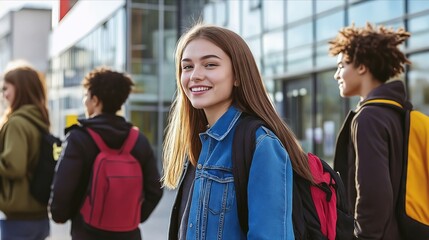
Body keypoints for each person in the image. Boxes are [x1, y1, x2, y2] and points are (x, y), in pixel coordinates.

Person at [163, 23, 314, 239]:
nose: (195, 75)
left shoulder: (261, 144)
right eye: (187, 67)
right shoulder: (200, 145)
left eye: (210, 64)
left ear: (237, 75)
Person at [49, 67, 163, 240]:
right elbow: (155, 189)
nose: (85, 101)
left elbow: (64, 186)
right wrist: (133, 217)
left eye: (86, 96)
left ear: (95, 100)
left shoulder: (79, 138)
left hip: (87, 231)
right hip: (129, 234)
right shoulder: (138, 139)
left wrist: (59, 215)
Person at [329, 23, 411, 239]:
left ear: (362, 67)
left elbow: (374, 193)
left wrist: (363, 236)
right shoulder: (397, 113)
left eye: (341, 66)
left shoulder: (368, 118)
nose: (337, 75)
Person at [0, 61, 51, 239]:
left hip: (18, 219)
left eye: (6, 89)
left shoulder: (16, 123)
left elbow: (14, 167)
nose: (4, 95)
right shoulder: (40, 120)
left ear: (20, 89)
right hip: (40, 218)